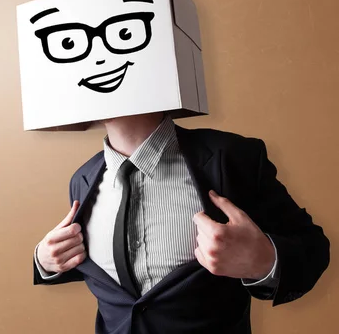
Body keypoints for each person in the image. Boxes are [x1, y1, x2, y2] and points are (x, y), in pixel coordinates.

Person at [33, 112, 330, 334]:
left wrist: (264, 261)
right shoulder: (82, 178)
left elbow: (313, 250)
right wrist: (44, 261)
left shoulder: (231, 157)